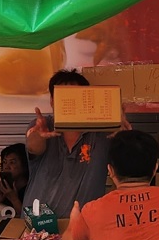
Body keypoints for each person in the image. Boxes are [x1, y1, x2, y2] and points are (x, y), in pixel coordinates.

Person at [23, 71, 126, 219]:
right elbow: (33, 147)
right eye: (63, 97)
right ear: (52, 101)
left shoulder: (103, 133)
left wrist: (125, 135)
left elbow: (126, 166)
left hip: (84, 227)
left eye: (75, 96)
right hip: (38, 225)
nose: (70, 102)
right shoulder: (42, 125)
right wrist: (39, 135)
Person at [0, 143, 31, 217]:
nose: (6, 167)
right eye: (4, 162)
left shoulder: (32, 190)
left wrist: (14, 199)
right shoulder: (4, 190)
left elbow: (30, 220)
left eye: (12, 162)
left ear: (24, 165)